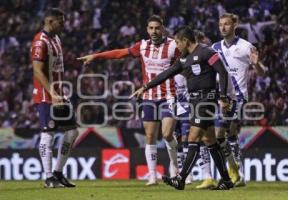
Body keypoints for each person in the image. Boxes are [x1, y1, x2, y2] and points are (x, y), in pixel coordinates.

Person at [77, 15, 179, 185]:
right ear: (147, 29)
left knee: (167, 134)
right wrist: (96, 56)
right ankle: (152, 175)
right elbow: (120, 53)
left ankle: (174, 166)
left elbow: (189, 57)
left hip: (169, 95)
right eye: (151, 28)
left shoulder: (173, 46)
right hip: (148, 97)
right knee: (150, 136)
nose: (154, 31)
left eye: (157, 28)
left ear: (163, 28)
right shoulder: (142, 46)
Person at [131, 26, 234, 190]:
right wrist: (145, 87)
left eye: (178, 43)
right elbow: (166, 74)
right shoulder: (184, 59)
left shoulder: (207, 53)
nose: (177, 46)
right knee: (209, 140)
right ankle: (227, 180)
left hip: (205, 100)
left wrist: (223, 96)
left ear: (186, 41)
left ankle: (181, 178)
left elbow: (222, 72)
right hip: (195, 101)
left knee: (192, 138)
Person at [197, 13, 266, 188]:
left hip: (237, 97)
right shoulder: (214, 47)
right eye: (221, 24)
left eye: (226, 24)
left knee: (220, 134)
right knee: (228, 137)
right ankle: (237, 173)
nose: (223, 27)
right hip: (218, 97)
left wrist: (257, 64)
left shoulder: (246, 47)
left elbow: (262, 72)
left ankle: (234, 173)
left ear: (235, 25)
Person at [31, 8, 79, 188]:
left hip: (59, 94)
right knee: (48, 134)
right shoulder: (40, 42)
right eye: (61, 21)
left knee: (72, 132)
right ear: (50, 22)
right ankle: (48, 176)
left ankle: (58, 173)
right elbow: (37, 70)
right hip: (46, 95)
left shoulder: (56, 39)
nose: (64, 24)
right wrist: (52, 92)